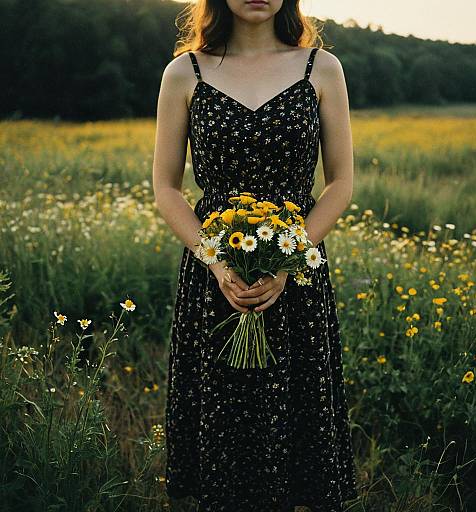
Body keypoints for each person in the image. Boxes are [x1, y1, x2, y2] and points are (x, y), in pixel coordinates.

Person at [152, 1, 357, 510]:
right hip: (215, 276)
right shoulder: (185, 72)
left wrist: (287, 263)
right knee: (224, 430)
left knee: (295, 430)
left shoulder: (321, 67)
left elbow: (341, 184)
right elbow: (166, 188)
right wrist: (219, 265)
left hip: (296, 270)